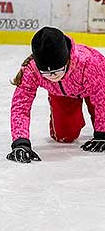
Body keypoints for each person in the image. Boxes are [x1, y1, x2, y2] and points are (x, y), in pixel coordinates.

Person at [7, 26, 105, 163]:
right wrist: (20, 143)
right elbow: (20, 106)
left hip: (97, 89)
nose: (52, 77)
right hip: (63, 94)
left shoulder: (90, 63)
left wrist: (102, 134)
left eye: (57, 71)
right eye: (46, 74)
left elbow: (102, 99)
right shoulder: (31, 70)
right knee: (64, 136)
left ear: (67, 61)